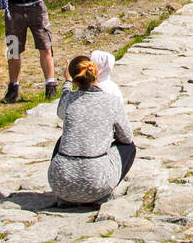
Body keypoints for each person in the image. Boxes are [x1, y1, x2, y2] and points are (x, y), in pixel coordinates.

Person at [48, 55, 136, 207]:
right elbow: (127, 138)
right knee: (129, 148)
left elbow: (61, 111)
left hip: (59, 184)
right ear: (95, 72)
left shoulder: (69, 100)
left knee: (63, 141)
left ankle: (68, 197)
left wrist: (67, 82)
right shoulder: (111, 102)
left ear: (75, 80)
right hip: (95, 184)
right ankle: (103, 193)